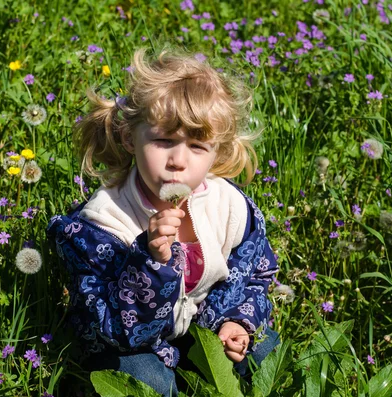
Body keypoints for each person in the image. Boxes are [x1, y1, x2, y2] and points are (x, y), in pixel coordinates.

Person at [46, 47, 280, 396]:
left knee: (264, 349)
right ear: (130, 138)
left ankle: (205, 362)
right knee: (147, 383)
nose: (178, 161)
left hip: (202, 324)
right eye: (163, 141)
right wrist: (150, 263)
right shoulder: (105, 222)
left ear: (218, 151)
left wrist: (233, 320)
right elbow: (114, 327)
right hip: (134, 342)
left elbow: (253, 274)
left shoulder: (227, 205)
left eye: (198, 147)